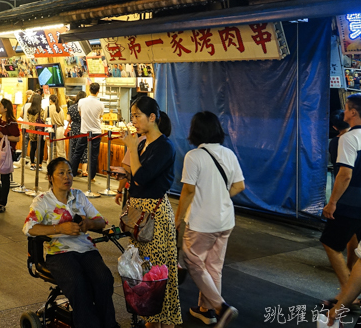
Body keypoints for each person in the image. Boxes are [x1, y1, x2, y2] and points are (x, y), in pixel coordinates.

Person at [22, 157, 119, 328]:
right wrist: (60, 229)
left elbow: (101, 221)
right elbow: (29, 228)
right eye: (61, 173)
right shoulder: (43, 201)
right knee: (77, 282)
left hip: (86, 249)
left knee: (104, 278)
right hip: (59, 253)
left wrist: (88, 224)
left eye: (69, 172)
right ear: (50, 177)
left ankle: (108, 324)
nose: (67, 177)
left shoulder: (79, 196)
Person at [175, 112, 244, 327]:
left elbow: (187, 191)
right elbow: (239, 186)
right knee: (214, 267)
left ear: (194, 131)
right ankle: (206, 311)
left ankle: (220, 307)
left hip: (201, 222)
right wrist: (220, 197)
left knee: (192, 262)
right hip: (225, 221)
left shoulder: (194, 156)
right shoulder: (229, 154)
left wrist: (177, 220)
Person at [120, 95, 182, 327]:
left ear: (152, 117)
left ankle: (161, 318)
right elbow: (136, 177)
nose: (133, 120)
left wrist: (132, 149)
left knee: (156, 268)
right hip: (141, 212)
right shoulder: (146, 143)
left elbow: (142, 177)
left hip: (153, 214)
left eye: (137, 116)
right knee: (144, 266)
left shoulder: (164, 146)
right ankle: (152, 316)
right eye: (133, 115)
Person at [321, 93, 361, 308]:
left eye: (346, 109)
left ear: (353, 113)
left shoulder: (348, 138)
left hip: (350, 205)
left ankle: (348, 294)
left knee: (330, 244)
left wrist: (332, 202)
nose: (344, 112)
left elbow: (345, 174)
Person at [0, 98, 20, 213]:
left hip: (7, 152)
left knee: (4, 177)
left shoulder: (12, 122)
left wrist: (2, 136)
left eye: (0, 106)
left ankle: (2, 202)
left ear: (6, 108)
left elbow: (17, 138)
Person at [71, 82, 104, 181]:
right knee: (93, 155)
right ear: (98, 91)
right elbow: (100, 117)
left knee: (78, 152)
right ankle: (91, 176)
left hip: (84, 130)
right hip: (96, 131)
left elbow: (81, 114)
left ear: (89, 90)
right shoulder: (101, 104)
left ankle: (72, 173)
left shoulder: (81, 101)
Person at [67, 91, 86, 175]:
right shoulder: (85, 107)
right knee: (84, 150)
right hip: (83, 129)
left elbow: (68, 119)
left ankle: (73, 169)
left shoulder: (71, 107)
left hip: (74, 129)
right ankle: (84, 171)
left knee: (74, 149)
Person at [27, 93, 46, 170]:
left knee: (33, 147)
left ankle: (32, 164)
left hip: (31, 131)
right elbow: (43, 119)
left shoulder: (29, 110)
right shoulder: (41, 110)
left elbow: (28, 119)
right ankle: (40, 165)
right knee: (40, 148)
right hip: (39, 131)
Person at [47, 94, 67, 158]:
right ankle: (62, 165)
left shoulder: (47, 108)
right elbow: (63, 119)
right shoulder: (60, 109)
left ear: (50, 100)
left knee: (51, 149)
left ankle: (51, 165)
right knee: (61, 150)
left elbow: (44, 118)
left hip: (51, 129)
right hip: (60, 129)